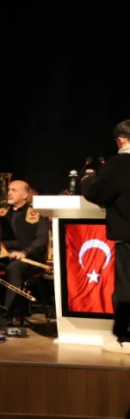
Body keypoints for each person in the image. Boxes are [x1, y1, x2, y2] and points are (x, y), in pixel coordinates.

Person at [82, 119, 130, 353]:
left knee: (127, 286)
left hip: (128, 235)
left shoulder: (120, 163)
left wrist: (87, 181)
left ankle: (126, 338)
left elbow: (97, 192)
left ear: (120, 139)